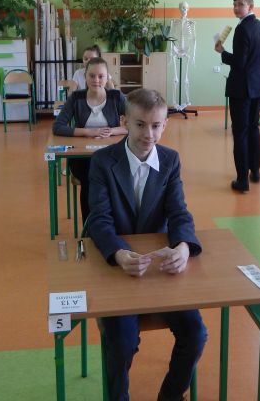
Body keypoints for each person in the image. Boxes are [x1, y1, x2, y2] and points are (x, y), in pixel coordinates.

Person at [87, 88, 207, 401]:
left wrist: (184, 246)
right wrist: (117, 253)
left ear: (165, 125)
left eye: (156, 126)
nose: (148, 134)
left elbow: (179, 212)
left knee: (196, 333)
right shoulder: (102, 161)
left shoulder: (170, 160)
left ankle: (170, 396)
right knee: (122, 342)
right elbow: (99, 220)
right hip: (119, 271)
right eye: (140, 124)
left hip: (158, 269)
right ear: (124, 121)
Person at [52, 57, 127, 222]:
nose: (96, 80)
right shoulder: (76, 98)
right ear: (85, 77)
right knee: (90, 179)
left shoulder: (116, 97)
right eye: (92, 76)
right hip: (82, 157)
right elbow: (58, 127)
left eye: (101, 76)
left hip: (111, 154)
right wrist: (88, 132)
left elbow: (137, 123)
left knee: (112, 178)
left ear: (107, 78)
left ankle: (113, 223)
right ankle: (90, 225)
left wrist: (112, 131)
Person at [215, 0, 260, 193]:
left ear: (251, 6)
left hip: (241, 89)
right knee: (253, 129)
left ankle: (242, 180)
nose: (236, 8)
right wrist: (254, 67)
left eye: (240, 4)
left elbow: (239, 63)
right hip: (258, 87)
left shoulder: (242, 29)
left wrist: (223, 53)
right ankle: (255, 172)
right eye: (234, 4)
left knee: (240, 132)